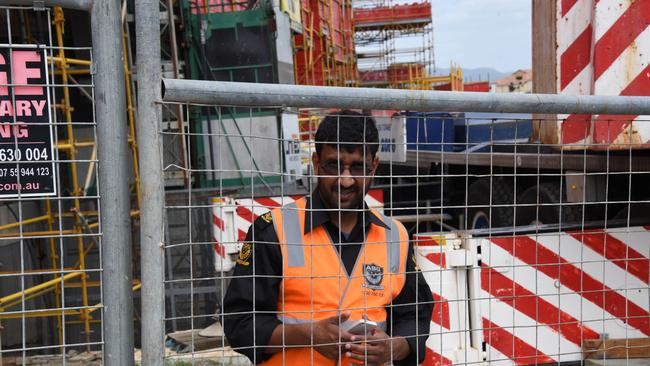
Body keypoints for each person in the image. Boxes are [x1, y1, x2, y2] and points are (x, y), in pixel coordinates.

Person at [223, 110, 433, 365]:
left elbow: (414, 314)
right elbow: (240, 323)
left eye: (358, 167)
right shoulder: (273, 230)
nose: (345, 181)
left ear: (374, 166)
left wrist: (395, 347)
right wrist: (306, 334)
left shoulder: (395, 236)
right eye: (334, 165)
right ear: (316, 162)